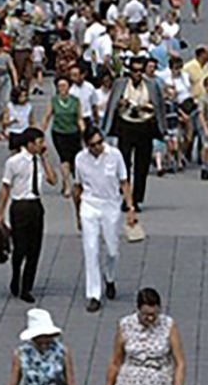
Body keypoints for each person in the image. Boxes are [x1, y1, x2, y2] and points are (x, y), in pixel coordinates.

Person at [71, 127, 137, 313]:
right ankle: (93, 294)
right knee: (90, 249)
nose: (98, 147)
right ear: (86, 145)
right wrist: (77, 214)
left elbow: (124, 182)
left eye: (100, 142)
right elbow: (77, 187)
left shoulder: (114, 155)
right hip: (89, 204)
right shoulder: (80, 159)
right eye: (93, 145)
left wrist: (130, 208)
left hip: (111, 205)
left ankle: (110, 277)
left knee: (112, 249)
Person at [0, 127, 59, 304]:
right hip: (20, 206)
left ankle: (27, 286)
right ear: (30, 144)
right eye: (39, 143)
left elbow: (53, 180)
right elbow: (5, 188)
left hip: (36, 204)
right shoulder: (13, 162)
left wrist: (45, 159)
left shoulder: (39, 160)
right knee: (20, 247)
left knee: (35, 248)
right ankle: (16, 273)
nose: (42, 146)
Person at [100, 58, 167, 210]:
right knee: (123, 163)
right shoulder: (120, 84)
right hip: (126, 126)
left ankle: (136, 199)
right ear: (129, 71)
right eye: (134, 71)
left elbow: (159, 106)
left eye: (140, 71)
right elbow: (112, 104)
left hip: (145, 127)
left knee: (141, 165)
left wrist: (161, 126)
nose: (137, 74)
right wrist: (119, 106)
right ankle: (125, 196)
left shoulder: (151, 85)